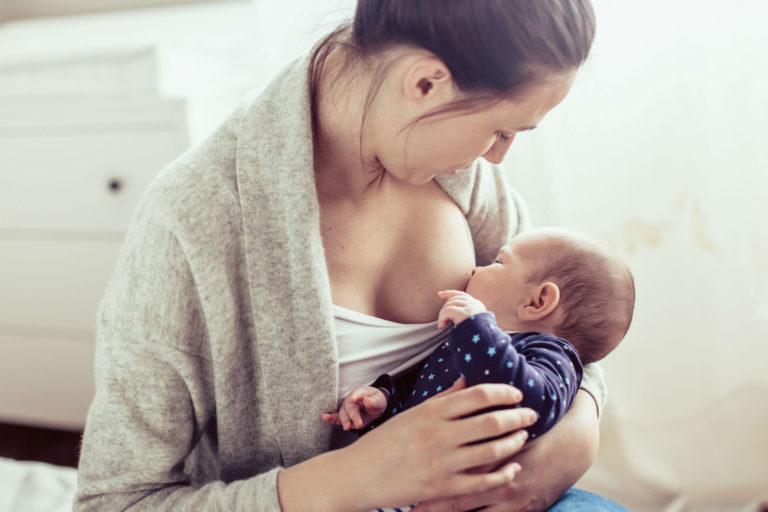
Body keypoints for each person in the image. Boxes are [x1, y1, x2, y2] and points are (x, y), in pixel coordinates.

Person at [75, 1, 629, 511]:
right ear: (427, 81)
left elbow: (567, 334)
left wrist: (564, 453)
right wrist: (358, 475)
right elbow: (114, 501)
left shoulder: (460, 175)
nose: (499, 158)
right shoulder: (195, 219)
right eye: (502, 131)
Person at [324, 227, 635, 443]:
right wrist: (384, 403)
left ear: (537, 302)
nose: (476, 269)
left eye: (498, 262)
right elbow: (424, 397)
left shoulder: (551, 355)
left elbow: (531, 405)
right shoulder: (471, 341)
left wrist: (478, 327)